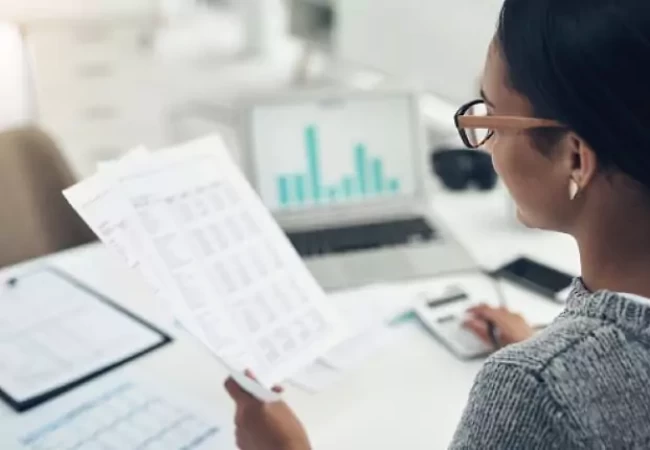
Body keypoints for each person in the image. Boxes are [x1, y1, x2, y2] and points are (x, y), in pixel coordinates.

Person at [224, 0, 650, 447]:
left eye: (494, 121)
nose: (486, 147)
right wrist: (562, 355)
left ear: (575, 158)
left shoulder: (532, 390)